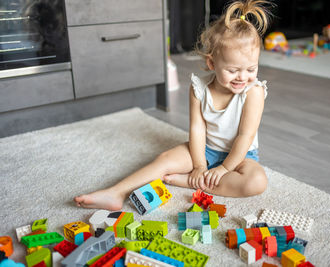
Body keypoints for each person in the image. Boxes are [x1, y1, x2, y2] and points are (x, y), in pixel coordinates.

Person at [74, 0, 270, 211]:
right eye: (233, 70)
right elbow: (197, 129)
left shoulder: (254, 92)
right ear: (212, 63)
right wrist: (199, 165)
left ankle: (189, 182)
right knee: (164, 159)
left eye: (251, 69)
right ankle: (115, 193)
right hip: (205, 150)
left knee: (256, 182)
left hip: (240, 157)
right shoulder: (199, 88)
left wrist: (224, 168)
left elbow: (245, 137)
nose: (243, 77)